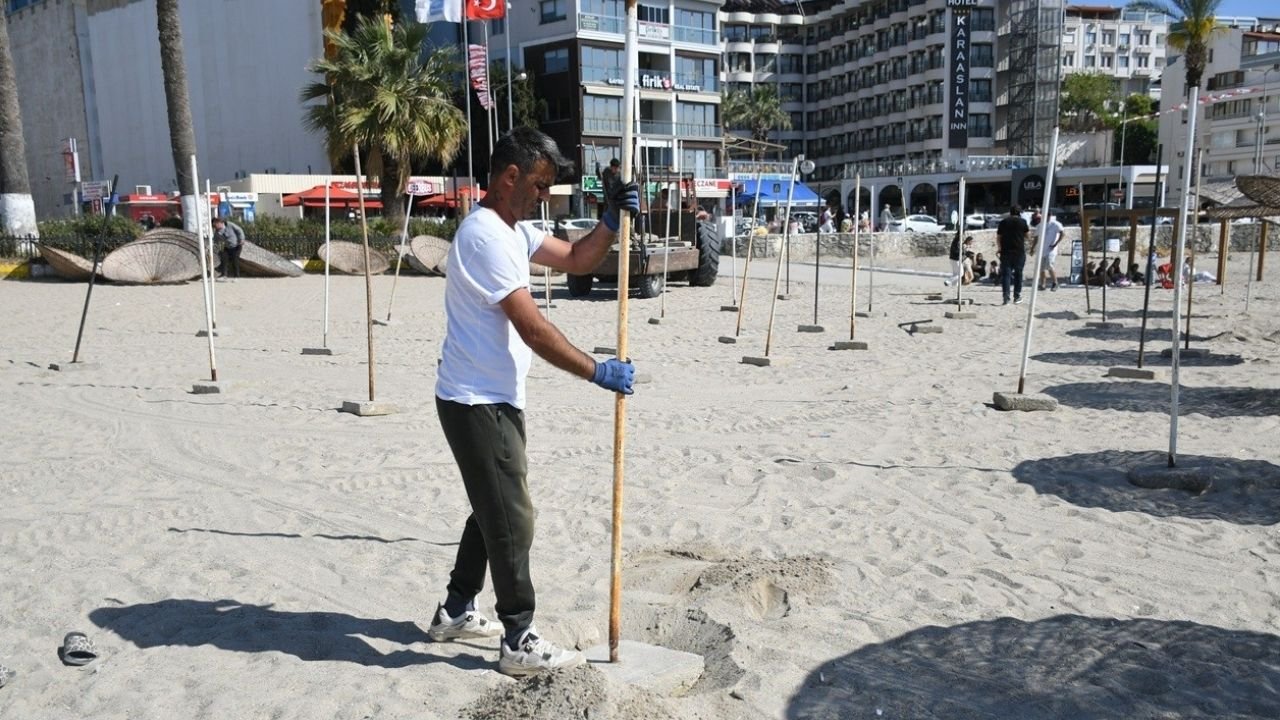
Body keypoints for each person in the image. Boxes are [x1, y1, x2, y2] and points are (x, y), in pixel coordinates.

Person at [430, 128, 640, 676]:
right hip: (474, 400)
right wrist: (598, 371)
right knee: (513, 519)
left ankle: (454, 610)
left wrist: (611, 221)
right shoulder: (483, 238)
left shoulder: (514, 230)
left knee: (493, 506)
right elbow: (533, 330)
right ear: (510, 177)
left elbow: (576, 258)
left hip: (492, 396)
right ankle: (517, 636)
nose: (543, 197)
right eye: (540, 186)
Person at [995, 205, 1029, 304]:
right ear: (1019, 213)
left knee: (1006, 275)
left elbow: (998, 237)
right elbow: (1027, 236)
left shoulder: (1003, 222)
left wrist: (999, 248)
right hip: (1019, 252)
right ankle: (1017, 296)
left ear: (1010, 212)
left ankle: (1006, 296)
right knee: (1018, 274)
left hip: (1005, 252)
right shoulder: (1023, 222)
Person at [1032, 211, 1064, 291]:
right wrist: (1032, 248)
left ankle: (1055, 283)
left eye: (1048, 215)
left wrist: (1056, 243)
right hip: (1041, 249)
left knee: (1050, 266)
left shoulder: (1055, 224)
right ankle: (1043, 284)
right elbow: (1036, 237)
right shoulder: (1040, 225)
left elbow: (1062, 233)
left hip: (1051, 249)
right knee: (1041, 268)